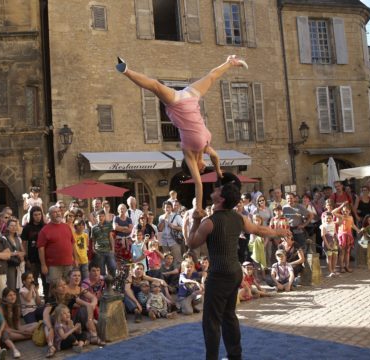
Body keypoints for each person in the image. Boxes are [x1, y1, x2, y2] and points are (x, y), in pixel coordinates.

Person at [117, 57, 247, 214]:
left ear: (196, 169)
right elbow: (215, 156)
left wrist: (198, 208)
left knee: (155, 86)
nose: (204, 167)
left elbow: (198, 185)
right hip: (191, 98)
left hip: (177, 102)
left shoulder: (188, 152)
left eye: (201, 169)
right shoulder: (205, 148)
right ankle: (230, 62)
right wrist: (219, 171)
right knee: (211, 76)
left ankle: (125, 70)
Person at [186, 172, 291, 360]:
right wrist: (277, 231)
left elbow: (191, 243)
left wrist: (194, 220)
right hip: (235, 271)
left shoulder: (208, 223)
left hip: (219, 274)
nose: (216, 189)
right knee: (229, 315)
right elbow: (259, 230)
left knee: (211, 321)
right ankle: (235, 356)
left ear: (221, 198)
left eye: (219, 189)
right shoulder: (239, 218)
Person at [38, 206, 77, 287]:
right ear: (50, 215)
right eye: (54, 212)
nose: (58, 213)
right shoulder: (45, 230)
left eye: (59, 211)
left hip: (68, 263)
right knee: (55, 287)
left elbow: (73, 244)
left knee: (68, 285)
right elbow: (41, 248)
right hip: (53, 265)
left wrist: (76, 259)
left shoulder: (67, 227)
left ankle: (67, 300)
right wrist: (43, 265)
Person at [333, 203, 359, 273]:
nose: (345, 213)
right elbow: (333, 212)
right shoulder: (341, 217)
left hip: (349, 235)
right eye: (343, 211)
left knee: (347, 252)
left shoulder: (351, 217)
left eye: (346, 211)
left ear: (349, 211)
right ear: (341, 211)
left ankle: (347, 266)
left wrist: (358, 230)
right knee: (342, 252)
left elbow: (352, 225)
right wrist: (341, 206)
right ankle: (341, 267)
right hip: (342, 236)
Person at [90, 210, 116, 277]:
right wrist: (93, 249)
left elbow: (111, 237)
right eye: (99, 216)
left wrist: (113, 249)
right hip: (99, 252)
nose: (100, 218)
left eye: (102, 216)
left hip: (108, 250)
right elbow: (93, 239)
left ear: (104, 217)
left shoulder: (109, 225)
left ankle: (112, 283)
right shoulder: (94, 228)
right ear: (96, 217)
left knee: (113, 267)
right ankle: (104, 286)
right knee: (102, 271)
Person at [158, 201, 184, 265]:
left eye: (169, 207)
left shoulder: (177, 216)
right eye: (166, 207)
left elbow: (183, 228)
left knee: (177, 260)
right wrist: (164, 219)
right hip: (164, 242)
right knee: (167, 261)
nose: (167, 209)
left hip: (174, 241)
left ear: (171, 208)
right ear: (163, 208)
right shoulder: (161, 217)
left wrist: (174, 227)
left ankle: (178, 274)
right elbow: (160, 230)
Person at [2, 219, 25, 291]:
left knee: (19, 286)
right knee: (11, 285)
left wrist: (21, 255)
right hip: (9, 264)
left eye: (15, 225)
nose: (13, 227)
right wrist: (16, 253)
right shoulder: (4, 238)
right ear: (7, 227)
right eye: (11, 225)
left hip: (18, 263)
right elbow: (3, 253)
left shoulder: (18, 238)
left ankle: (18, 301)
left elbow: (23, 252)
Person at [320, 212, 339, 277]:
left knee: (335, 256)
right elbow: (323, 236)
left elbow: (335, 233)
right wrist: (327, 245)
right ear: (324, 218)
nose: (328, 219)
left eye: (330, 218)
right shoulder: (323, 226)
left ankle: (333, 270)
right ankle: (330, 271)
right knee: (329, 257)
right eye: (327, 218)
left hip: (334, 242)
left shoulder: (333, 224)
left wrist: (337, 241)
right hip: (327, 242)